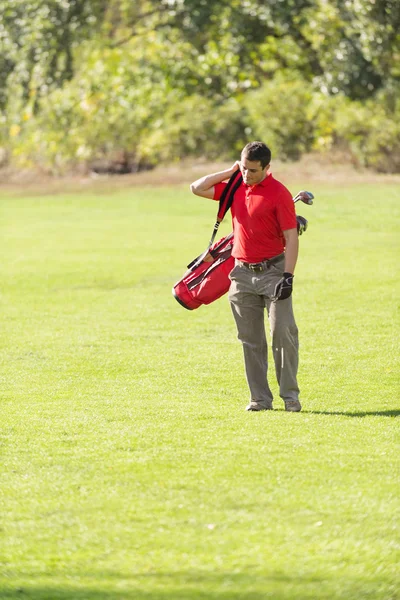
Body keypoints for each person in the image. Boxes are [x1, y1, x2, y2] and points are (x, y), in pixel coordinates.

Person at [190, 141, 301, 412]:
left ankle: (290, 397)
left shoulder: (279, 193)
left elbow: (291, 236)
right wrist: (230, 172)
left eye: (252, 170)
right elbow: (197, 187)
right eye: (243, 168)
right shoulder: (235, 185)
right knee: (250, 340)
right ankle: (260, 400)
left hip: (274, 272)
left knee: (283, 333)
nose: (246, 175)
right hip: (240, 274)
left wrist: (288, 276)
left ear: (267, 168)